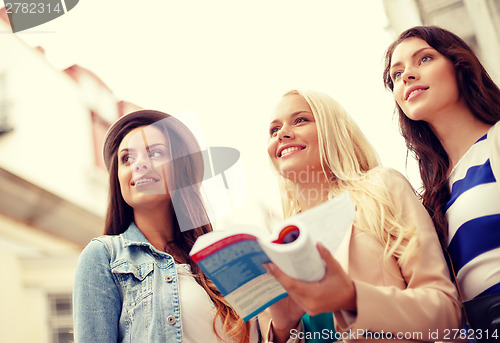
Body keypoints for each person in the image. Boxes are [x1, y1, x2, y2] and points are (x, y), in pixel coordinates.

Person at [263, 89, 462, 342]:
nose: (282, 134)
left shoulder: (383, 187)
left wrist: (352, 297)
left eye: (300, 120)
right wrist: (283, 329)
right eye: (273, 130)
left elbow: (446, 313)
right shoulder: (282, 241)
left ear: (331, 128)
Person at [73, 109, 261, 342]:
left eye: (155, 153)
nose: (139, 164)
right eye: (127, 158)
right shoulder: (104, 256)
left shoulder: (226, 256)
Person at [383, 26, 500, 336]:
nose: (406, 75)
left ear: (459, 65)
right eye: (396, 75)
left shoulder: (496, 142)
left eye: (424, 59)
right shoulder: (434, 197)